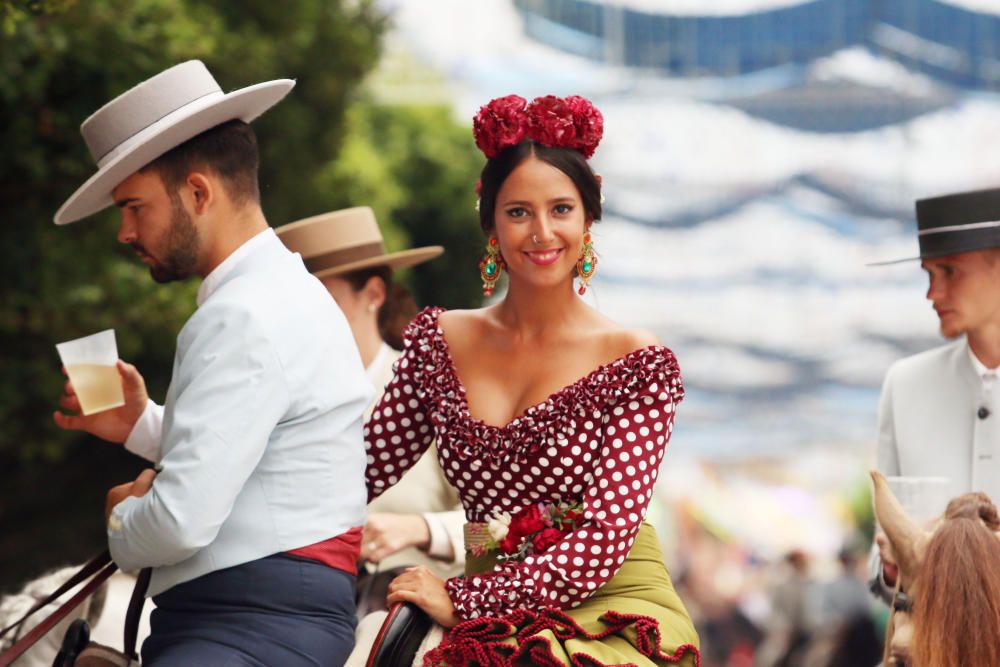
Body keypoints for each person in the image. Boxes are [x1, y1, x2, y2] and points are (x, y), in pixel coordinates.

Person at [52, 60, 371, 665]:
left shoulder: (244, 311)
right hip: (258, 615)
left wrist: (123, 519)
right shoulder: (281, 290)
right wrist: (143, 424)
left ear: (198, 193)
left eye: (133, 206)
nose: (124, 231)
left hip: (250, 625)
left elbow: (176, 524)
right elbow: (267, 455)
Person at [362, 95, 700, 665]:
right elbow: (357, 470)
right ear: (490, 221)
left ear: (588, 219)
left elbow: (605, 537)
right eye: (519, 211)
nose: (542, 232)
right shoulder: (438, 344)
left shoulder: (636, 360)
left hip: (609, 608)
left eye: (561, 209)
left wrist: (466, 598)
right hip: (478, 589)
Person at [276, 207, 465, 581]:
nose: (300, 316)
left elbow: (503, 533)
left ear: (374, 293)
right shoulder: (275, 401)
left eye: (318, 297)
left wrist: (424, 530)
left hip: (406, 618)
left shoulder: (436, 391)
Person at [872, 187, 1000, 595]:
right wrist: (894, 564)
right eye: (929, 275)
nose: (932, 294)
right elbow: (882, 560)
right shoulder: (905, 384)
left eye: (950, 272)